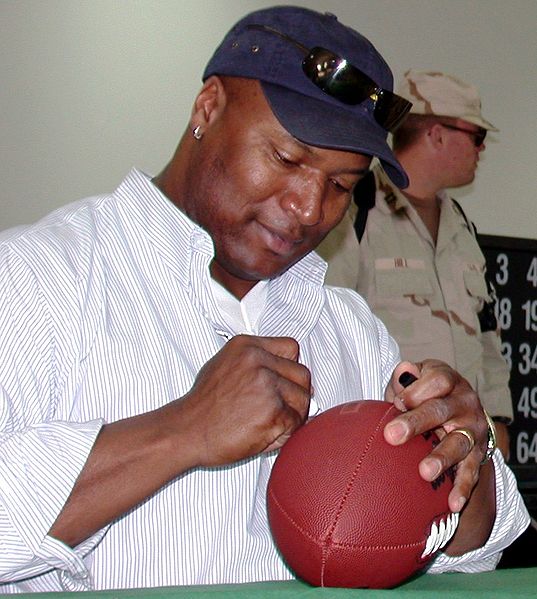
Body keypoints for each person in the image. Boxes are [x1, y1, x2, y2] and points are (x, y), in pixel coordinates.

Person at [0, 8, 528, 593]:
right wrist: (182, 431)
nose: (307, 209)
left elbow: (460, 550)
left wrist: (461, 457)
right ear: (208, 107)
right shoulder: (35, 279)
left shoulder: (348, 328)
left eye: (341, 186)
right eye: (286, 159)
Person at [318, 70, 513, 458]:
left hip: (466, 447)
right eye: (477, 136)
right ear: (436, 133)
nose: (481, 150)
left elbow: (487, 335)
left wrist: (497, 424)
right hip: (387, 446)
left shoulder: (460, 225)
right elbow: (324, 329)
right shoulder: (358, 208)